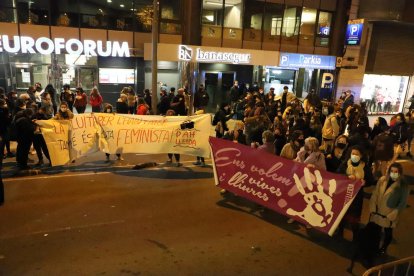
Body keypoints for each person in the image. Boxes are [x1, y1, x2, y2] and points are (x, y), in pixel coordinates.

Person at [369, 163, 409, 255]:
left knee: (388, 232)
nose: (393, 173)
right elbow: (375, 193)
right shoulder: (382, 180)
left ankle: (384, 248)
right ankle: (374, 246)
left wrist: (394, 213)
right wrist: (373, 206)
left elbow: (402, 203)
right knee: (376, 230)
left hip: (388, 213)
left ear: (400, 173)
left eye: (396, 171)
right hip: (378, 211)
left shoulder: (403, 186)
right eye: (392, 171)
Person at [336, 145, 375, 240]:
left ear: (361, 156)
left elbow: (371, 180)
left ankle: (355, 236)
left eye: (357, 154)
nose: (354, 155)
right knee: (342, 215)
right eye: (353, 153)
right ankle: (339, 232)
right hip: (344, 194)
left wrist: (365, 182)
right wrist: (346, 177)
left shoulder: (365, 167)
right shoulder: (345, 164)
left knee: (354, 217)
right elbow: (337, 175)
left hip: (357, 196)